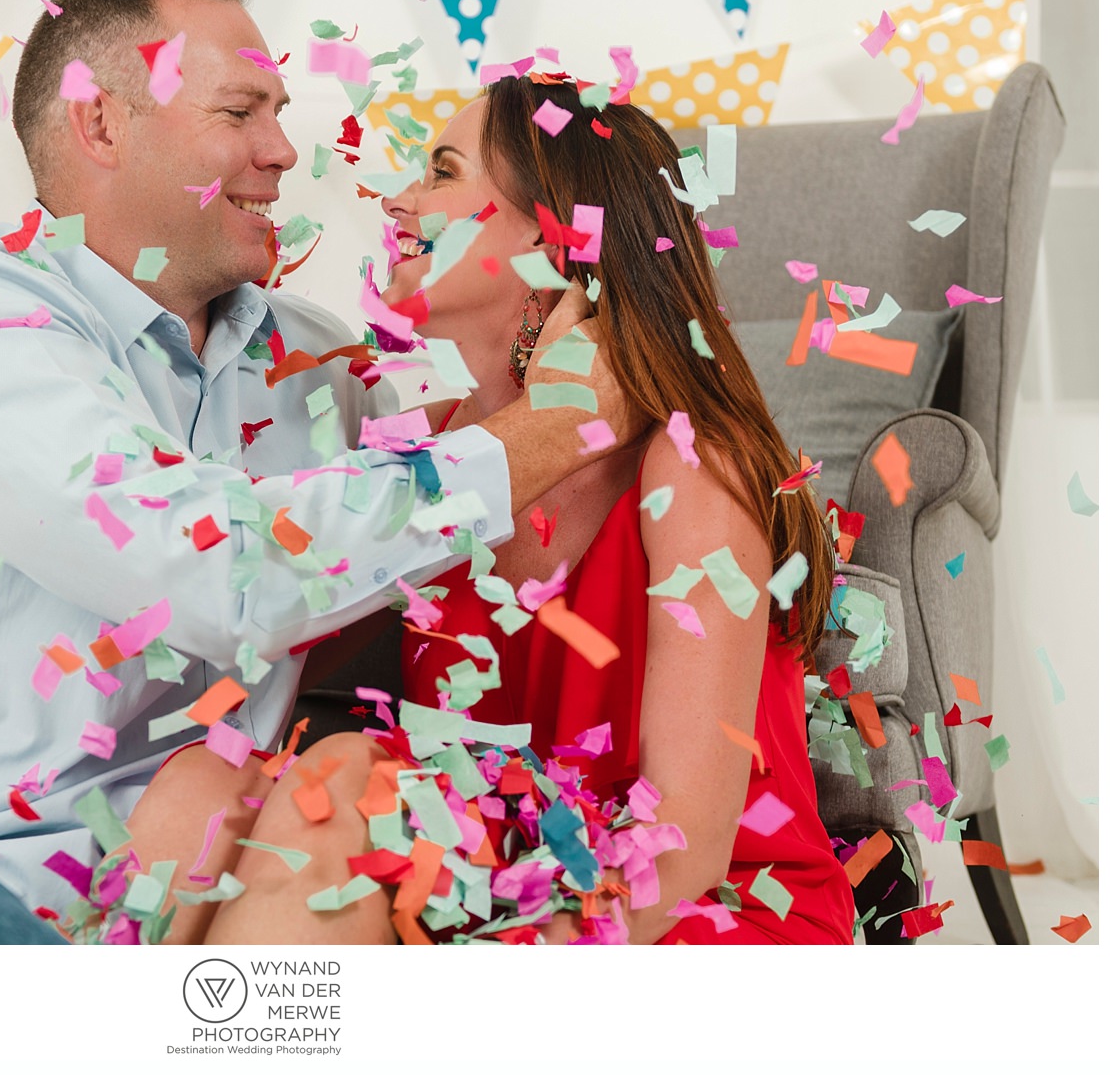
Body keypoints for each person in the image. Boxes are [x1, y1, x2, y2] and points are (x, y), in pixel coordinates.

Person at [0, 0, 637, 943]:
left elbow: (481, 520)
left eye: (279, 111)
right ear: (100, 121)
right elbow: (224, 573)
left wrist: (595, 350)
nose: (284, 150)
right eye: (240, 113)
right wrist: (551, 425)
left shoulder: (318, 363)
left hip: (176, 907)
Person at [132, 74, 854, 945]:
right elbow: (281, 620)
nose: (398, 200)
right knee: (195, 795)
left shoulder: (691, 469)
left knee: (348, 784)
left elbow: (685, 856)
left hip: (684, 916)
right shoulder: (431, 446)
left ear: (551, 236)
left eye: (441, 171)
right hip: (500, 868)